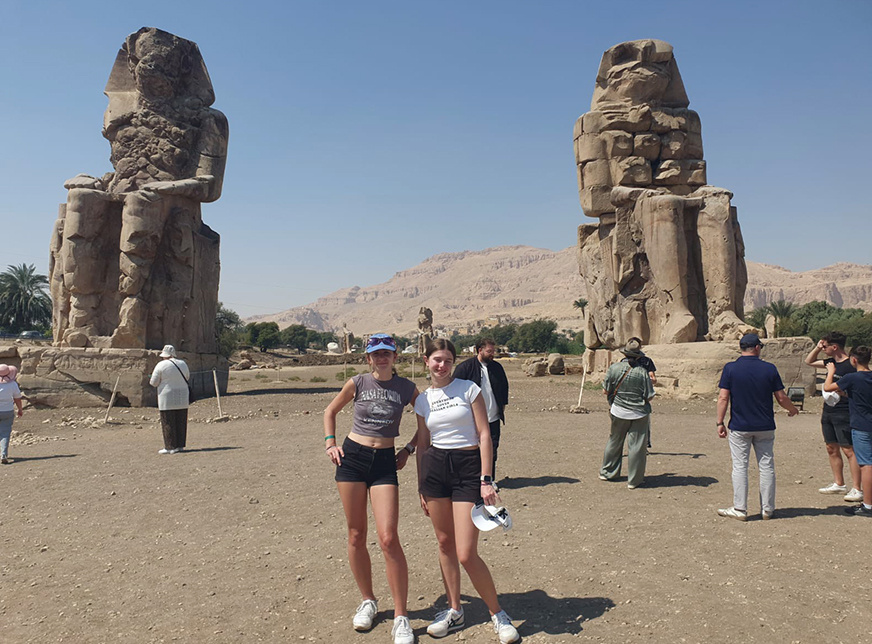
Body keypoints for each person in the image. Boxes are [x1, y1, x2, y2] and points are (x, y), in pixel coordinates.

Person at [414, 339, 519, 644]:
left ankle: (498, 613)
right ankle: (454, 610)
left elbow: (484, 434)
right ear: (426, 361)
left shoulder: (468, 389)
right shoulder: (422, 400)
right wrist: (421, 485)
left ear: (454, 362)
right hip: (435, 470)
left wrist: (486, 479)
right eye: (437, 360)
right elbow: (423, 444)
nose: (442, 366)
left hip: (467, 468)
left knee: (465, 552)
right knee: (445, 543)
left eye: (447, 360)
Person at [323, 333, 419, 644]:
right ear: (368, 358)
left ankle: (401, 616)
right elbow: (330, 411)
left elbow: (428, 421)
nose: (381, 358)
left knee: (388, 538)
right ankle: (368, 600)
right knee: (356, 533)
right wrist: (331, 443)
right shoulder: (358, 383)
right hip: (352, 459)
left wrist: (408, 449)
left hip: (385, 463)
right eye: (375, 354)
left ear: (395, 356)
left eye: (386, 353)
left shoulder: (406, 387)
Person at [716, 333, 799, 521]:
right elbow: (781, 397)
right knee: (766, 466)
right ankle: (767, 509)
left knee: (740, 467)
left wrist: (720, 422)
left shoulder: (730, 368)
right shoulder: (769, 369)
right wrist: (792, 409)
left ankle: (740, 508)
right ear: (757, 348)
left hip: (740, 426)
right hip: (765, 425)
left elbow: (723, 397)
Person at [804, 332, 862, 502]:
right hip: (828, 410)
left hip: (844, 411)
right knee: (831, 447)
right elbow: (809, 361)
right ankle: (839, 483)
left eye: (825, 346)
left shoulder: (851, 365)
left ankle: (857, 488)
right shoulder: (830, 363)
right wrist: (817, 347)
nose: (823, 349)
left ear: (834, 347)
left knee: (848, 450)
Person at [599, 339, 655, 489]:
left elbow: (605, 390)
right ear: (638, 356)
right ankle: (634, 480)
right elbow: (649, 396)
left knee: (614, 441)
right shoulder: (642, 372)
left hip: (618, 410)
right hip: (638, 413)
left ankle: (608, 472)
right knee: (637, 447)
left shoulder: (614, 368)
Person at [824, 345, 872, 517]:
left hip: (861, 425)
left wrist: (830, 372)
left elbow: (828, 387)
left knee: (866, 465)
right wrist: (848, 395)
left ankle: (868, 505)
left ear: (853, 360)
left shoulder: (852, 377)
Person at [452, 337, 509, 479]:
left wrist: (502, 407)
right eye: (489, 351)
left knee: (492, 451)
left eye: (493, 351)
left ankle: (489, 480)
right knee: (470, 451)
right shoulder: (465, 368)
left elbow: (504, 388)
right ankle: (471, 480)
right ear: (480, 350)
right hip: (471, 419)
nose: (492, 354)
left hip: (492, 418)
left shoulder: (497, 368)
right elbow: (454, 390)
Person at [149, 345, 190, 454]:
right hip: (182, 396)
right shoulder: (183, 363)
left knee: (168, 421)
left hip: (167, 397)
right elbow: (187, 377)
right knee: (181, 421)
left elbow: (153, 382)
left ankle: (170, 446)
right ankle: (180, 445)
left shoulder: (161, 365)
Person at [621, 336, 656, 449]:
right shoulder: (647, 361)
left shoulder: (623, 362)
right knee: (642, 422)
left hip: (625, 395)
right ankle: (643, 445)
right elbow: (653, 379)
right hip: (641, 396)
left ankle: (636, 445)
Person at [0, 364, 23, 464]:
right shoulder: (12, 384)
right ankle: (3, 454)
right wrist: (20, 409)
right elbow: (17, 398)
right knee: (5, 433)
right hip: (7, 410)